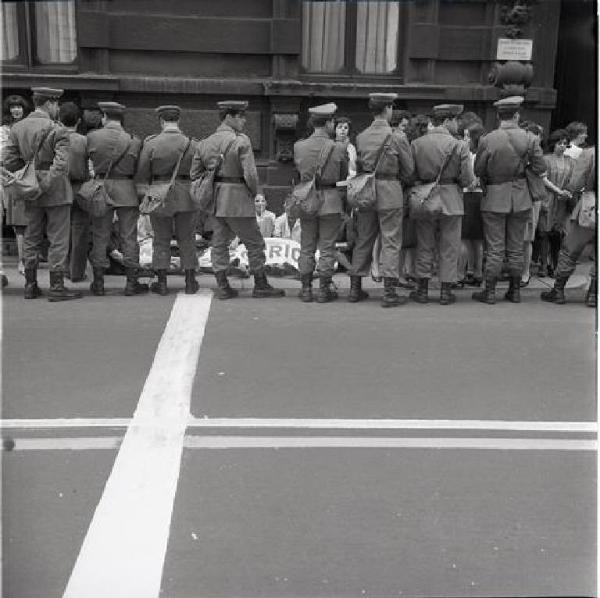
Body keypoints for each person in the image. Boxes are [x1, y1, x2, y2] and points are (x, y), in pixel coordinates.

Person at [190, 99, 284, 300]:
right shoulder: (241, 141)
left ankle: (223, 286)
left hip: (215, 200)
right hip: (238, 199)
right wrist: (253, 192)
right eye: (240, 116)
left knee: (219, 243)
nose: (244, 121)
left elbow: (194, 174)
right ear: (228, 117)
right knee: (255, 243)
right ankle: (260, 284)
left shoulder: (205, 143)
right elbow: (250, 173)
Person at [2, 87, 82, 302]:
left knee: (31, 237)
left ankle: (30, 285)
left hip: (29, 188)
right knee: (58, 239)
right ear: (50, 104)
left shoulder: (18, 128)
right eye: (56, 104)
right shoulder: (58, 129)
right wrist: (45, 183)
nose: (57, 108)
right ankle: (56, 287)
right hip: (55, 190)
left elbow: (8, 160)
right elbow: (62, 164)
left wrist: (29, 176)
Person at [472, 96, 546, 305]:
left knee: (494, 247)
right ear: (517, 115)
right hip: (521, 197)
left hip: (495, 197)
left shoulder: (488, 139)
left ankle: (490, 292)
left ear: (498, 116)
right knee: (516, 247)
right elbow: (541, 168)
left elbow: (478, 170)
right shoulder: (530, 138)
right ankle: (514, 292)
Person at [348, 93, 414, 307]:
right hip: (390, 191)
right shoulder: (398, 136)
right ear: (387, 109)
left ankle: (355, 288)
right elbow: (409, 170)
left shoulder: (361, 136)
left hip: (366, 191)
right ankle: (389, 292)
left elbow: (359, 165)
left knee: (364, 240)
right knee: (391, 242)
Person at [409, 104, 474, 305]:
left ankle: (422, 291)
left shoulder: (417, 144)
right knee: (449, 246)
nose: (457, 123)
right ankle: (446, 291)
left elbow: (411, 174)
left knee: (424, 244)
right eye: (455, 119)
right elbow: (467, 179)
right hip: (451, 198)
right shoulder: (460, 145)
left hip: (425, 198)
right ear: (447, 121)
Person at [136, 105, 200, 295]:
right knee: (187, 238)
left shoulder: (151, 143)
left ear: (161, 121)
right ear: (178, 121)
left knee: (161, 239)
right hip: (187, 195)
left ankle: (162, 282)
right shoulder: (192, 143)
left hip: (159, 194)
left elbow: (142, 172)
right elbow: (199, 171)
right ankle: (190, 281)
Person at [87, 101, 147, 296]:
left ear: (104, 117)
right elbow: (140, 169)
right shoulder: (134, 140)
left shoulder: (92, 137)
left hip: (100, 190)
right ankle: (131, 282)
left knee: (100, 236)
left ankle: (98, 283)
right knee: (129, 237)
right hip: (126, 190)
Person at [293, 102, 348, 303]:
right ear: (328, 123)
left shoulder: (299, 146)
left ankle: (306, 289)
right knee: (327, 247)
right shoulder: (339, 148)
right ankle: (324, 290)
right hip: (331, 201)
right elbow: (342, 175)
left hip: (307, 200)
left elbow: (298, 173)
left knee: (306, 246)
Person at [541, 147, 596, 306]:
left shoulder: (591, 153)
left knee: (570, 249)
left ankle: (558, 290)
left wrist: (569, 190)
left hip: (590, 206)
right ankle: (593, 294)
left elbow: (576, 182)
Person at [59, 102, 91, 283]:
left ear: (59, 119)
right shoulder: (84, 141)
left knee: (60, 231)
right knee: (80, 231)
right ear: (78, 121)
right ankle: (77, 272)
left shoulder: (53, 138)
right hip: (80, 188)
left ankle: (61, 268)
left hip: (59, 188)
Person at [537, 129, 575, 277]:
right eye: (559, 143)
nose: (562, 146)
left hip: (562, 201)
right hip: (548, 198)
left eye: (565, 143)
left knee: (558, 234)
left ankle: (555, 264)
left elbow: (573, 180)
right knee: (544, 233)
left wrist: (567, 192)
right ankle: (543, 265)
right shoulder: (546, 159)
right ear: (553, 144)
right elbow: (543, 179)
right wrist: (559, 191)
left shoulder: (570, 161)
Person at [1, 94, 31, 276]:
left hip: (25, 176)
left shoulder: (28, 127)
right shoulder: (3, 130)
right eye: (12, 107)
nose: (16, 110)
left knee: (24, 220)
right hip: (7, 177)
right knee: (14, 220)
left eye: (19, 106)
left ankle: (25, 259)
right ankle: (22, 259)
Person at [460, 121, 485, 286]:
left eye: (467, 135)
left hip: (470, 196)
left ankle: (469, 272)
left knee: (467, 238)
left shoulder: (468, 154)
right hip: (478, 196)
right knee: (475, 239)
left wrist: (471, 182)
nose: (464, 138)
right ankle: (475, 272)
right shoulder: (483, 153)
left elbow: (468, 177)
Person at [520, 122, 545, 286]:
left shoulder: (536, 154)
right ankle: (520, 271)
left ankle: (525, 272)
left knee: (527, 238)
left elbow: (541, 169)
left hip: (530, 195)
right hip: (520, 194)